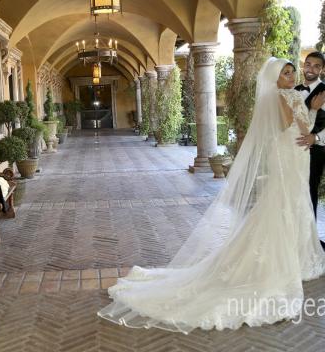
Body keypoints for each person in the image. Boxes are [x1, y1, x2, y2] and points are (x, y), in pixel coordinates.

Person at [98, 58, 325, 334]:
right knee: (287, 203)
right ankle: (285, 258)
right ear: (275, 78)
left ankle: (292, 254)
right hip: (292, 153)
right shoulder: (287, 96)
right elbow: (295, 126)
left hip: (292, 153)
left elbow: (284, 127)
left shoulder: (277, 96)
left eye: (291, 72)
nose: (291, 76)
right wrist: (312, 109)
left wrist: (305, 111)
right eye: (285, 73)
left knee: (286, 203)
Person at [295, 52, 325, 249]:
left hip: (316, 151)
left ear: (322, 69)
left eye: (316, 66)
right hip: (293, 151)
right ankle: (296, 238)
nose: (311, 69)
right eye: (308, 64)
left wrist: (316, 137)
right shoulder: (294, 90)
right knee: (294, 193)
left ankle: (310, 242)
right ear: (303, 66)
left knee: (308, 192)